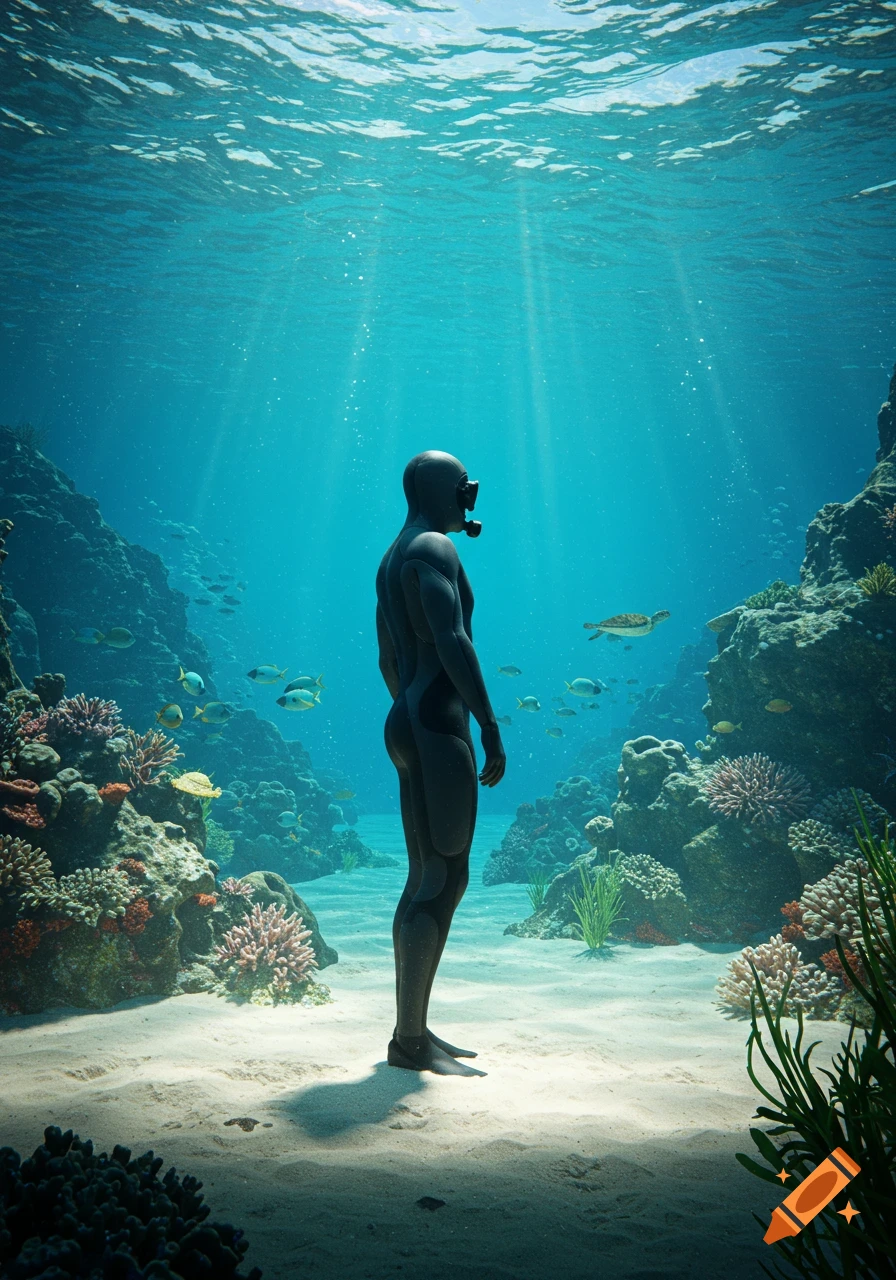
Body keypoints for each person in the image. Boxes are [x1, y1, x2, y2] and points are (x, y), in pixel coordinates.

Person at [376, 450, 506, 1074]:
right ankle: (410, 1042)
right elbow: (452, 639)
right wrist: (486, 723)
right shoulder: (435, 548)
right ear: (442, 488)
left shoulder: (393, 554)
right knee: (445, 875)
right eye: (465, 487)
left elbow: (387, 659)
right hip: (438, 722)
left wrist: (410, 711)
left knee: (423, 873)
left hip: (407, 716)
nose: (469, 499)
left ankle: (413, 1031)